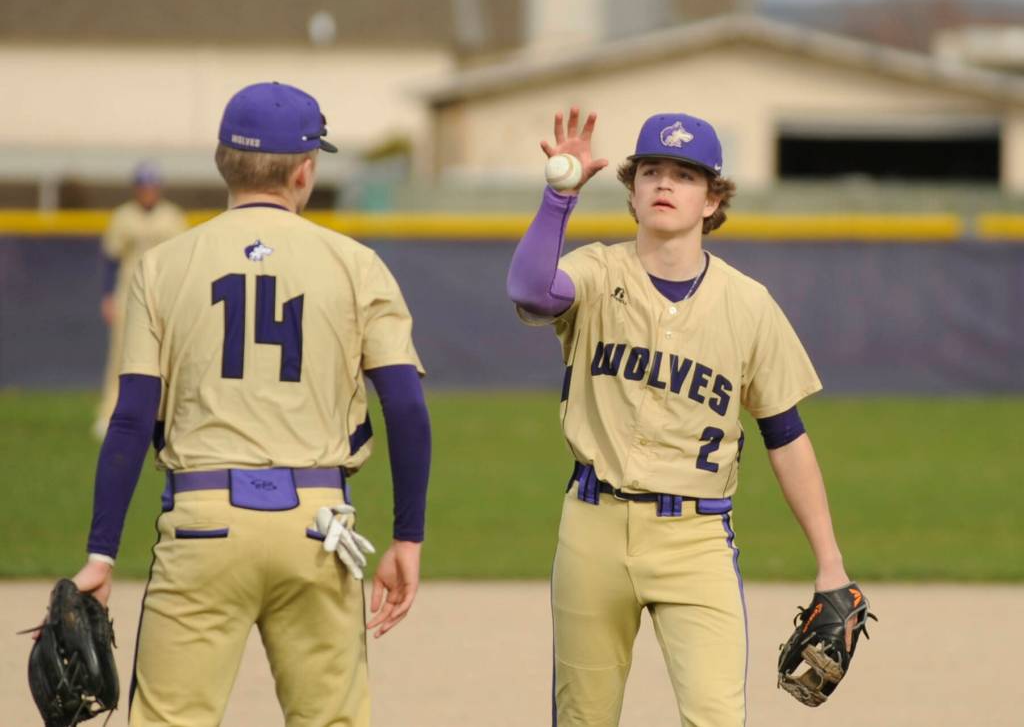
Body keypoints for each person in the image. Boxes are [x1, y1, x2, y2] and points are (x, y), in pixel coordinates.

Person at [70, 81, 431, 727]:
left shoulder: (163, 265)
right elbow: (404, 403)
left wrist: (102, 552)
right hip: (320, 527)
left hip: (204, 523)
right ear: (306, 170)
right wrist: (409, 536)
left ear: (222, 161)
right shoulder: (357, 264)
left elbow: (130, 418)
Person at [507, 108, 857, 726]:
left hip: (697, 539)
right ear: (633, 191)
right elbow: (533, 291)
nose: (665, 185)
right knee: (582, 717)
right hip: (593, 526)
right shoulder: (595, 272)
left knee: (716, 718)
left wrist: (830, 562)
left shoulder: (749, 306)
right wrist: (560, 197)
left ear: (712, 199)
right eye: (652, 172)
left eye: (685, 175)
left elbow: (785, 434)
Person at [95, 163, 187, 439]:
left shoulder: (172, 217)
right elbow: (111, 259)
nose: (147, 191)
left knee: (167, 357)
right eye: (143, 186)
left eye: (151, 186)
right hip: (129, 292)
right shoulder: (124, 216)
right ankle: (108, 414)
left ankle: (166, 416)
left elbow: (183, 260)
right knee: (121, 358)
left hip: (164, 293)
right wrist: (107, 295)